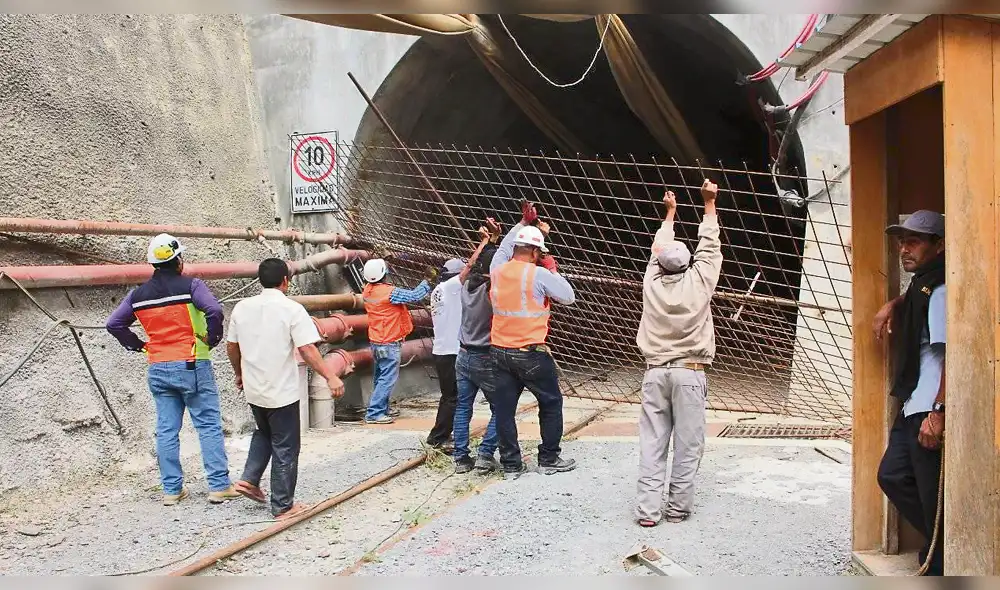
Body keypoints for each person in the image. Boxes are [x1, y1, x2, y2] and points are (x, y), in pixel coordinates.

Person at [106, 233, 239, 506]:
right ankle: (218, 486)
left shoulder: (137, 295)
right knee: (208, 426)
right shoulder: (192, 286)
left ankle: (171, 490)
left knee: (166, 430)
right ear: (179, 260)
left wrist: (139, 346)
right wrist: (213, 338)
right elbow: (214, 310)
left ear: (154, 264)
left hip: (158, 366)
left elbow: (114, 324)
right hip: (192, 364)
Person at [226, 258, 345, 520]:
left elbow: (232, 346)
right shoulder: (291, 309)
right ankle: (283, 506)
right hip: (281, 391)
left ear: (260, 280)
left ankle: (250, 479)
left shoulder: (242, 308)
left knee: (264, 432)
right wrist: (330, 377)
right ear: (285, 281)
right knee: (286, 445)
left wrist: (239, 372)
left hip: (254, 389)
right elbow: (307, 349)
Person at [634, 179, 723, 527]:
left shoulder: (651, 283)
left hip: (655, 371)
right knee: (687, 445)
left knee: (652, 443)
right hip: (690, 371)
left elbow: (659, 248)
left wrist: (669, 214)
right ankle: (677, 509)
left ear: (658, 265)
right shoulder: (699, 281)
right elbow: (710, 246)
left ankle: (647, 512)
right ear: (688, 264)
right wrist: (709, 204)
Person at [873, 210, 946, 576]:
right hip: (913, 402)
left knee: (932, 496)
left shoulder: (943, 289)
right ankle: (942, 550)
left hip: (929, 406)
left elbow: (952, 353)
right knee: (892, 475)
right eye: (903, 241)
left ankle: (943, 559)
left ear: (939, 245)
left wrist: (939, 411)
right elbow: (916, 295)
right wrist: (893, 304)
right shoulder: (923, 284)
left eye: (914, 241)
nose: (904, 248)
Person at [490, 202, 576, 479]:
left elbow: (503, 249)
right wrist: (552, 270)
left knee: (504, 410)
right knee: (550, 403)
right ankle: (549, 458)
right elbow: (568, 296)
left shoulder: (498, 270)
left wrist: (521, 224)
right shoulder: (538, 273)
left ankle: (511, 464)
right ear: (537, 252)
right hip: (530, 353)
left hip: (499, 350)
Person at [453, 220, 503, 474]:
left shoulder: (463, 287)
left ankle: (460, 458)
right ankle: (485, 454)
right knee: (502, 406)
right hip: (485, 355)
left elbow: (471, 266)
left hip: (463, 355)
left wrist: (487, 242)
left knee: (463, 407)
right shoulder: (491, 292)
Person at [361, 258, 435, 424]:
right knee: (387, 378)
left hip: (376, 340)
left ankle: (382, 409)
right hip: (389, 342)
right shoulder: (390, 293)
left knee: (381, 377)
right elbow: (415, 296)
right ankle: (374, 413)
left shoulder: (367, 290)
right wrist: (427, 281)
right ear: (384, 274)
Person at [425, 257, 467, 450]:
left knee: (450, 396)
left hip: (442, 349)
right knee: (452, 398)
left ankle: (446, 434)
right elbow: (465, 274)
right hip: (451, 351)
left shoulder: (438, 291)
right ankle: (438, 437)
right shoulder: (450, 288)